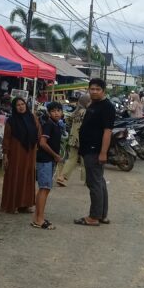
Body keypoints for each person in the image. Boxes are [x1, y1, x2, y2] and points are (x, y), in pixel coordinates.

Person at [75, 78, 116, 226]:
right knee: (99, 181)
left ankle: (94, 217)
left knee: (94, 182)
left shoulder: (107, 107)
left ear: (103, 91)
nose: (94, 91)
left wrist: (103, 153)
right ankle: (102, 215)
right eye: (92, 89)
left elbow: (107, 131)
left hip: (95, 150)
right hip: (88, 149)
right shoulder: (94, 104)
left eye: (98, 89)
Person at [1, 97, 39, 214]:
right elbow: (6, 139)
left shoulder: (32, 117)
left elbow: (38, 132)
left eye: (23, 104)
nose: (21, 106)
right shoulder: (11, 121)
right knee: (15, 176)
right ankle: (13, 204)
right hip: (16, 153)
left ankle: (25, 205)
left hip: (30, 153)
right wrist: (5, 155)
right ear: (14, 107)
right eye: (18, 105)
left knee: (27, 177)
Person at [32, 102, 64, 230]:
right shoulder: (49, 125)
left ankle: (37, 217)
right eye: (53, 111)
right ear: (49, 113)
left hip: (48, 160)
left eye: (58, 110)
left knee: (44, 189)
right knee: (44, 189)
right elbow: (43, 143)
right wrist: (55, 155)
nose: (56, 113)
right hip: (45, 160)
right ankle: (39, 219)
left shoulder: (56, 125)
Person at [56, 94, 90, 187]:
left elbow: (67, 120)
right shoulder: (87, 112)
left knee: (71, 159)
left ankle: (62, 177)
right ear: (87, 102)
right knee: (85, 161)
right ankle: (87, 180)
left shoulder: (76, 112)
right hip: (84, 139)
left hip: (73, 138)